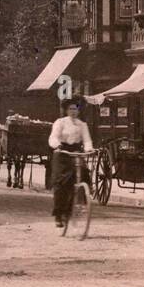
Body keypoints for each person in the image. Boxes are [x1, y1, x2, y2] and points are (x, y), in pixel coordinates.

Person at [47, 96, 93, 228]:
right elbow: (53, 137)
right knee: (62, 182)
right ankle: (58, 214)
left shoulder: (82, 125)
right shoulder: (60, 122)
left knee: (82, 175)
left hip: (76, 152)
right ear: (67, 110)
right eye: (71, 108)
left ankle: (74, 208)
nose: (73, 111)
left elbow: (87, 140)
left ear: (79, 110)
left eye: (76, 108)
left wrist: (89, 148)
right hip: (62, 153)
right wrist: (57, 145)